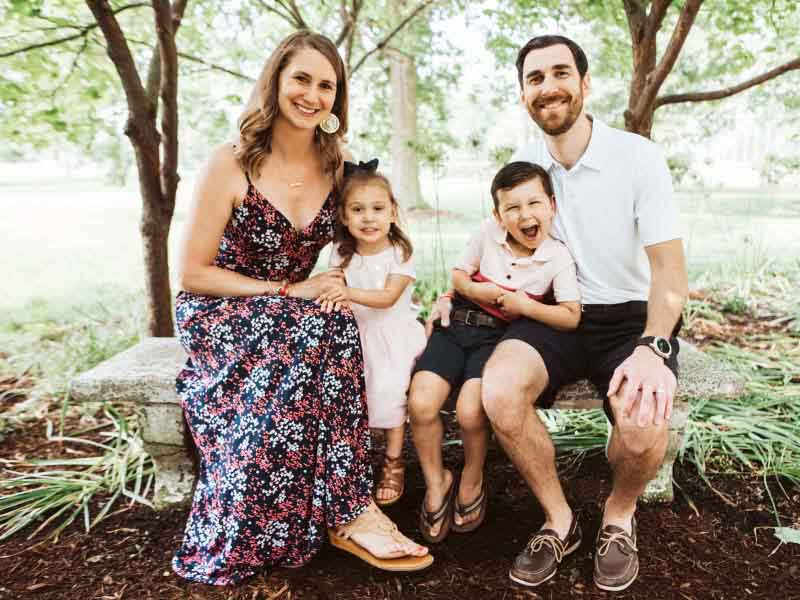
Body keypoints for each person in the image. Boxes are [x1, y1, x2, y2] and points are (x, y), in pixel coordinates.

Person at [171, 31, 431, 585]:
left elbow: (376, 239)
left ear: (337, 101)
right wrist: (287, 292)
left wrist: (445, 296)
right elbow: (193, 274)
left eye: (326, 86)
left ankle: (348, 509)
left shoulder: (337, 169)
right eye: (301, 80)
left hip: (297, 313)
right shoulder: (231, 163)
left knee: (332, 320)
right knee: (323, 324)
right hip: (220, 310)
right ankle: (320, 511)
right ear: (276, 83)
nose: (312, 95)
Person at [431, 35, 688, 591]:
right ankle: (560, 519)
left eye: (560, 72)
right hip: (551, 314)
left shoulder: (636, 157)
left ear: (585, 82)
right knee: (499, 391)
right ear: (523, 94)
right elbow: (492, 252)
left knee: (642, 428)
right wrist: (453, 292)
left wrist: (655, 347)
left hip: (631, 319)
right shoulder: (526, 172)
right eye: (534, 78)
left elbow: (670, 271)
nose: (548, 86)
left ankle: (618, 517)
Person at [409, 161, 581, 544]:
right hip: (454, 328)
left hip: (494, 340)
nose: (525, 215)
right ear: (498, 215)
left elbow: (570, 317)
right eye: (512, 208)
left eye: (534, 203)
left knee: (471, 412)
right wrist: (472, 291)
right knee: (420, 403)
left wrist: (526, 307)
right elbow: (458, 275)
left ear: (552, 205)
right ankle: (437, 482)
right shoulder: (488, 234)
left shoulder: (557, 258)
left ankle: (472, 475)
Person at [317, 162, 427, 508]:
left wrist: (346, 294)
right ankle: (356, 463)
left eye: (378, 209)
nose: (368, 218)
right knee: (354, 396)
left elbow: (387, 298)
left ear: (393, 212)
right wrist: (333, 289)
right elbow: (332, 284)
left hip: (393, 337)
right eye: (358, 210)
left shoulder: (400, 253)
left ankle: (394, 462)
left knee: (391, 393)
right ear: (344, 216)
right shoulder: (341, 251)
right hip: (355, 336)